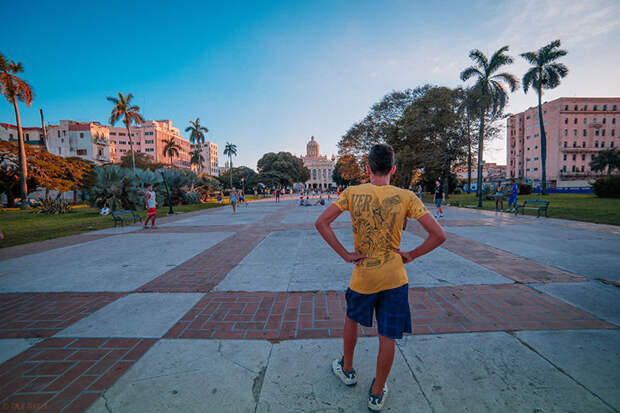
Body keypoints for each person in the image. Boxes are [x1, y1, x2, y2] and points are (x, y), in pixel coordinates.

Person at [315, 144, 446, 411]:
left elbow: (321, 223)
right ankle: (376, 392)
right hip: (395, 278)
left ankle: (348, 369)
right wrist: (412, 255)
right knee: (387, 335)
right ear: (393, 169)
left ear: (368, 168)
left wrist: (344, 254)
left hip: (363, 275)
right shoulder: (406, 196)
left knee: (352, 320)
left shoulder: (352, 193)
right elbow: (439, 235)